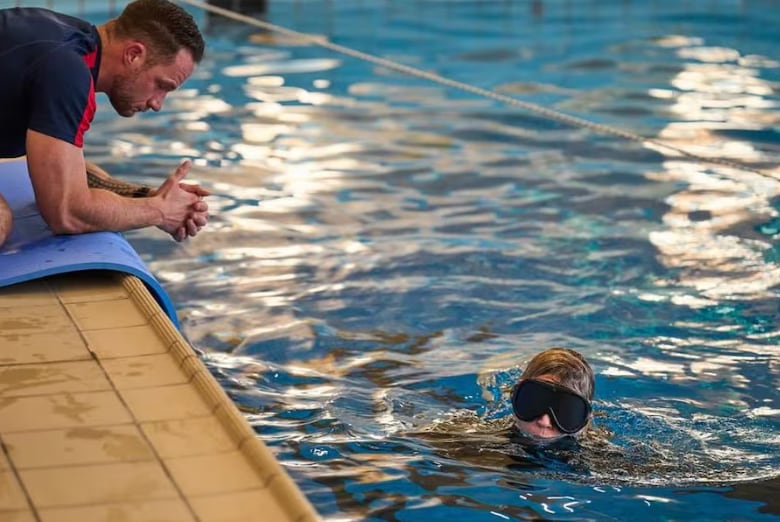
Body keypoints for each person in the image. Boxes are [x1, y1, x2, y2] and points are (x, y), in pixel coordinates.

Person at [0, 0, 209, 249]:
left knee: (86, 170)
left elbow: (65, 170)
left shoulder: (69, 42)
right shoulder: (68, 72)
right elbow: (66, 214)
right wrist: (160, 211)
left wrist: (149, 197)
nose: (157, 104)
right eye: (162, 85)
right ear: (134, 55)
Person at [510, 347, 595, 443]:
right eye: (535, 401)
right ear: (514, 397)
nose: (544, 422)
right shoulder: (491, 442)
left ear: (584, 422)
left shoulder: (601, 455)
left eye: (564, 411)